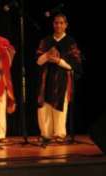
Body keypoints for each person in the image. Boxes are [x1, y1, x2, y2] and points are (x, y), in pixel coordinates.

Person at [36, 13, 82, 142]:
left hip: (62, 79)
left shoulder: (70, 42)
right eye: (56, 22)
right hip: (46, 79)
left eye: (61, 23)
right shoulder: (45, 41)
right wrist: (47, 56)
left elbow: (74, 65)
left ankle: (59, 134)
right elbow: (38, 61)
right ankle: (46, 134)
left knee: (60, 106)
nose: (58, 25)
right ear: (53, 24)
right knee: (44, 106)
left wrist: (58, 61)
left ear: (66, 25)